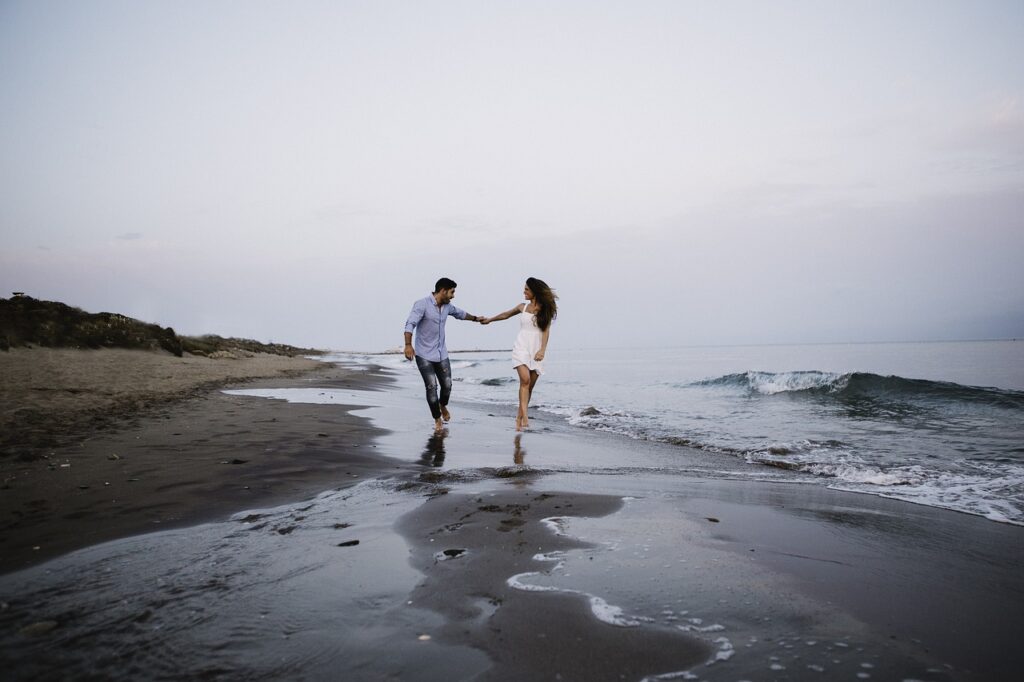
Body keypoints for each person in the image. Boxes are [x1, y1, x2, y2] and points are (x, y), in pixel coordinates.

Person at [404, 277, 485, 432]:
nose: (453, 296)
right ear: (442, 291)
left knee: (447, 386)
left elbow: (460, 314)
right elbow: (410, 323)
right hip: (424, 354)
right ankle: (437, 419)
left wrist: (476, 319)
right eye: (452, 292)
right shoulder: (422, 304)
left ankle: (442, 405)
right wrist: (408, 345)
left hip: (442, 354)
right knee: (431, 387)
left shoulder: (447, 306)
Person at [480, 277, 558, 431]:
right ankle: (525, 416)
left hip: (536, 350)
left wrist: (542, 350)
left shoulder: (545, 309)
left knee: (529, 387)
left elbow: (546, 331)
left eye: (527, 289)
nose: (524, 292)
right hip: (521, 347)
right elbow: (505, 315)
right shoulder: (522, 307)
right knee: (525, 380)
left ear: (535, 292)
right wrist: (490, 320)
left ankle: (519, 417)